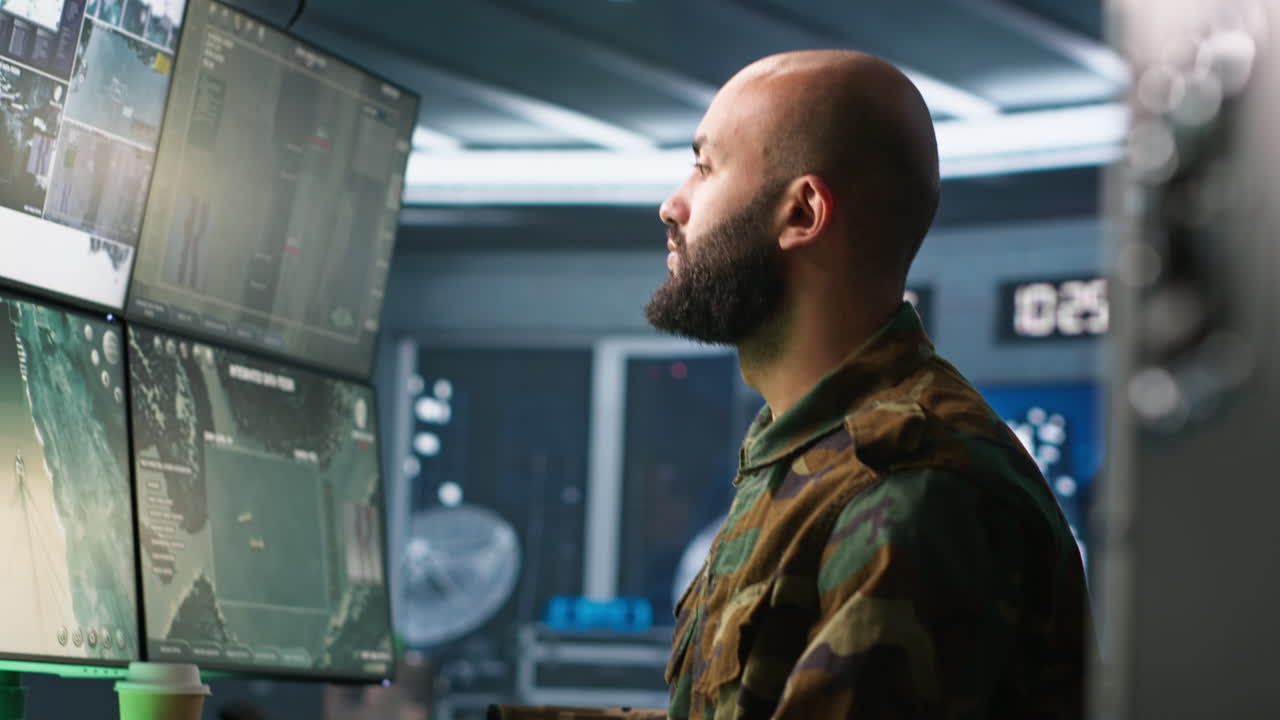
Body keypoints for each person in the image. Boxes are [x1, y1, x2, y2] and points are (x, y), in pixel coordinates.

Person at [491, 49, 1091, 720]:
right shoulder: (809, 451)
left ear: (802, 212)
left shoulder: (909, 491)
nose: (671, 204)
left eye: (705, 166)